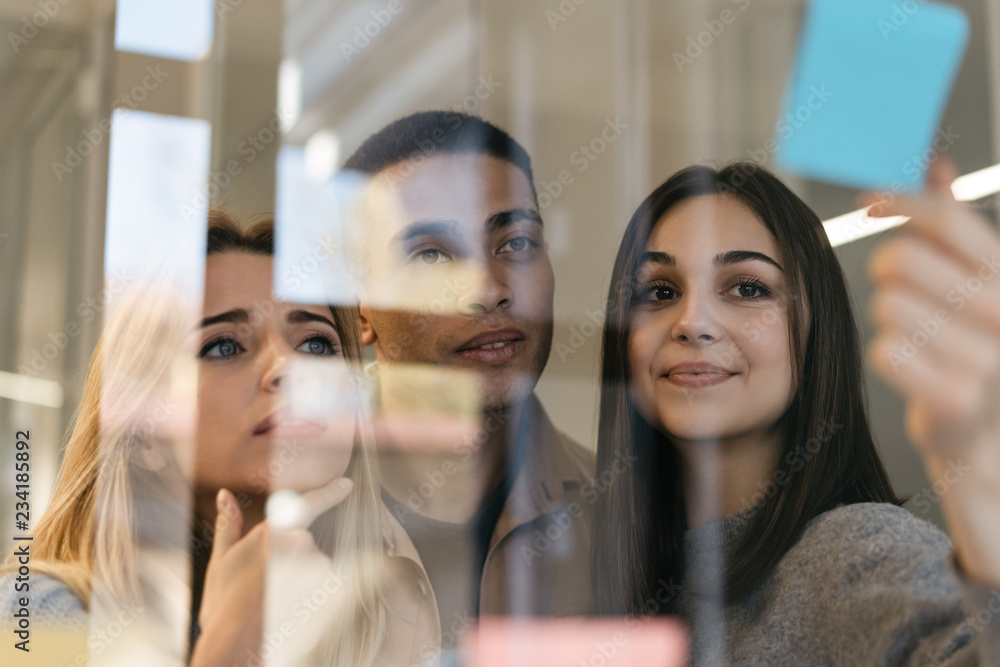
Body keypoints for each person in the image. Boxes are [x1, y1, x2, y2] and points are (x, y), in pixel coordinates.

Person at [590, 160, 1000, 665]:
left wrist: (988, 520)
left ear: (815, 332)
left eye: (747, 288)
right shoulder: (601, 577)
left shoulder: (855, 550)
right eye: (660, 292)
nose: (692, 323)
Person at [0, 210, 420, 666]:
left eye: (315, 345)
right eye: (223, 346)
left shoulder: (390, 630)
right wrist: (229, 641)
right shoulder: (35, 612)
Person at [343, 111, 595, 661]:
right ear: (359, 310)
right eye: (431, 254)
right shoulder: (283, 506)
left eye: (517, 243)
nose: (486, 289)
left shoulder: (628, 516)